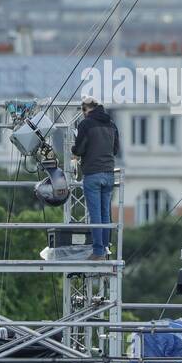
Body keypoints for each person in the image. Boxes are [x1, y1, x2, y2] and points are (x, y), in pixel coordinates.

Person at [72, 95, 120, 260]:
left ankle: (98, 251)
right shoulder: (111, 124)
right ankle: (106, 247)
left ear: (86, 108)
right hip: (109, 173)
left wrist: (75, 149)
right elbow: (115, 149)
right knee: (105, 212)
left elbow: (79, 149)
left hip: (92, 173)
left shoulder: (86, 124)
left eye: (82, 110)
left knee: (95, 214)